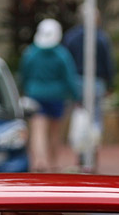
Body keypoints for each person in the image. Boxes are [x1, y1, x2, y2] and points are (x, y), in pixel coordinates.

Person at [19, 18, 80, 173]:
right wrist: (76, 96)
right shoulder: (62, 54)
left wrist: (23, 89)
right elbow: (69, 78)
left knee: (37, 130)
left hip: (35, 94)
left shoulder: (31, 53)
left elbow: (24, 74)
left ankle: (40, 161)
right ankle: (53, 163)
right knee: (55, 132)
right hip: (57, 96)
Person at [62, 6, 116, 171]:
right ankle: (92, 159)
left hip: (77, 81)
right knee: (95, 121)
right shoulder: (101, 37)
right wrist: (111, 83)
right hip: (96, 83)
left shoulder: (70, 37)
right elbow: (108, 62)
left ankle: (81, 158)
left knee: (80, 119)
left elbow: (65, 62)